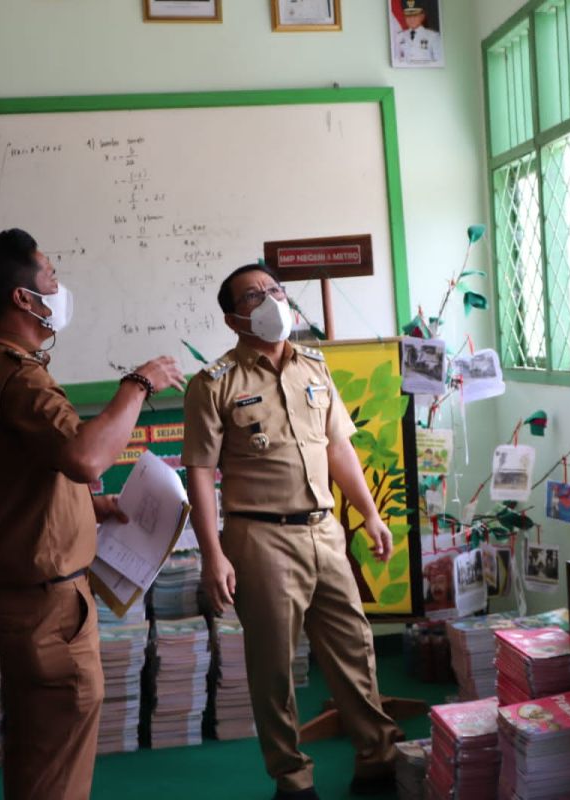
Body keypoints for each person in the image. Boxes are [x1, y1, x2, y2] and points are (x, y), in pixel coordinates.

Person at [0, 229, 183, 800]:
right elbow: (85, 455)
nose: (60, 288)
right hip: (46, 606)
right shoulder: (18, 375)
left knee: (38, 746)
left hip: (15, 595)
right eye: (50, 277)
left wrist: (88, 507)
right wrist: (138, 384)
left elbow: (21, 478)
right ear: (23, 299)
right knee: (59, 764)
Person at [182, 263, 403, 800]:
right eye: (254, 296)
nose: (270, 300)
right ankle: (292, 777)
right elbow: (200, 474)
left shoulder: (314, 367)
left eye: (275, 290)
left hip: (324, 530)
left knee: (354, 647)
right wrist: (213, 555)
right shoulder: (214, 384)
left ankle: (377, 757)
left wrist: (369, 513)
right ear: (235, 319)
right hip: (260, 538)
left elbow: (339, 448)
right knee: (274, 665)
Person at [394, 0, 442, 66]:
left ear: (422, 16)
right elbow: (396, 60)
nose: (411, 19)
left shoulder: (433, 36)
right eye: (408, 16)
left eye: (415, 15)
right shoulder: (399, 37)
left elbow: (439, 61)